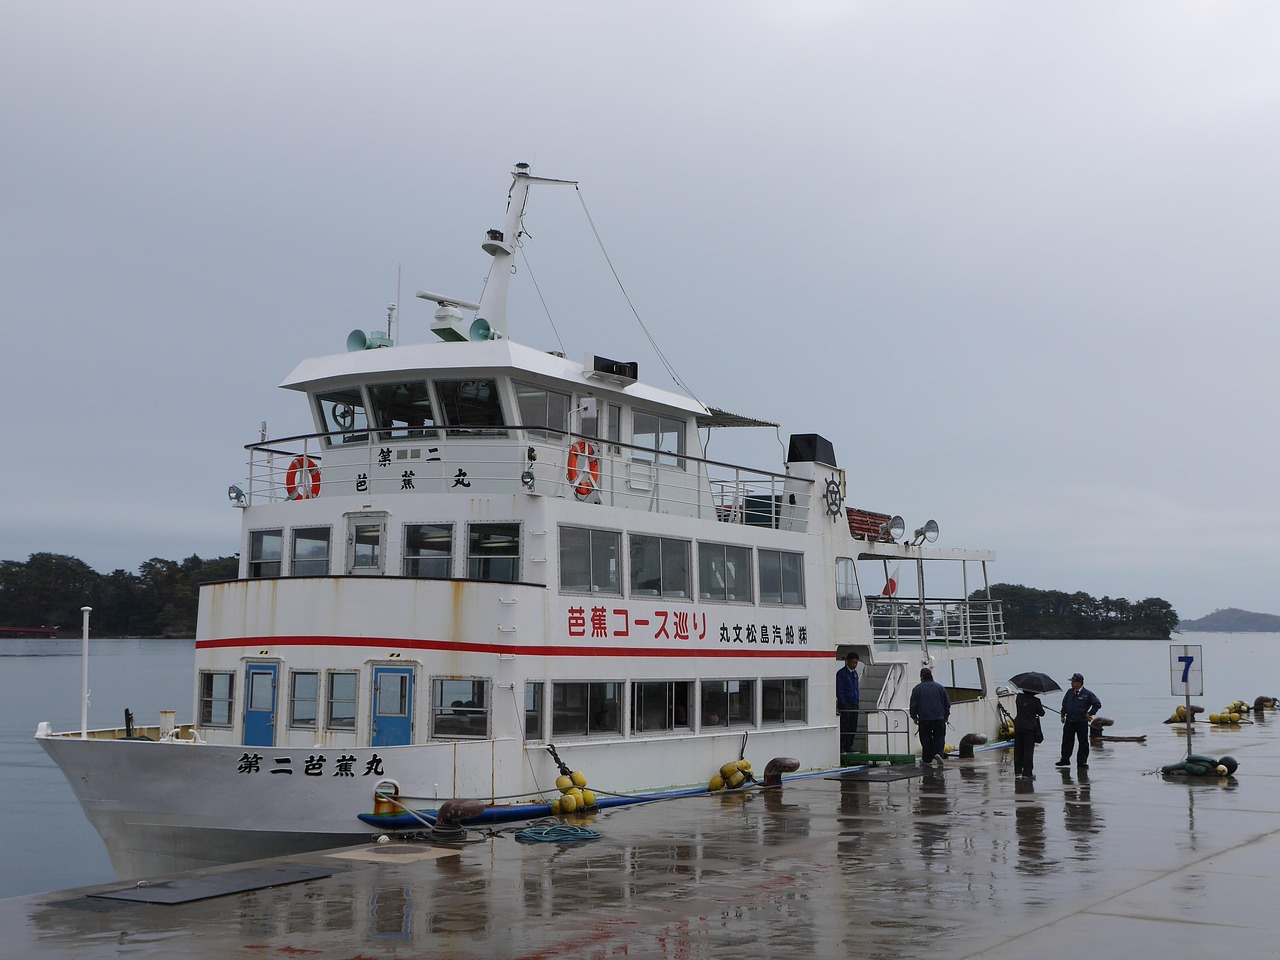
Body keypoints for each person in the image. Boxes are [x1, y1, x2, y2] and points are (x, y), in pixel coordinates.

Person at [1056, 672, 1102, 768]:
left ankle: (1082, 762)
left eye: (1073, 682)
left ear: (1079, 683)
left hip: (1081, 722)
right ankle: (1065, 759)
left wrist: (1090, 713)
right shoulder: (1069, 692)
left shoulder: (1087, 694)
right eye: (1071, 681)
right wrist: (1062, 715)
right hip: (1069, 721)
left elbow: (1097, 704)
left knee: (1083, 743)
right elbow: (1064, 704)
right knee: (1066, 741)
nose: (1071, 683)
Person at [909, 666, 950, 766]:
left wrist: (914, 717)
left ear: (922, 677)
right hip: (939, 718)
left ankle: (927, 760)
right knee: (940, 737)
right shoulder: (940, 687)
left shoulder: (917, 689)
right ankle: (938, 754)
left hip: (924, 719)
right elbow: (947, 703)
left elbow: (913, 705)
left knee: (925, 738)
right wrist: (946, 716)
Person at [1012, 690, 1045, 779]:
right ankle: (1027, 772)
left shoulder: (1019, 697)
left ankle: (1017, 770)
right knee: (1028, 750)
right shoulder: (1036, 701)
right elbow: (1042, 713)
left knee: (1018, 749)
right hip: (1029, 728)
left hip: (1018, 726)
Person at [837, 651, 861, 753]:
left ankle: (849, 746)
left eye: (856, 663)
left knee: (852, 726)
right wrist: (843, 702)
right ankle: (842, 746)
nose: (854, 665)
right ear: (848, 661)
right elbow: (840, 690)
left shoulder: (854, 674)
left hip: (854, 704)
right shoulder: (842, 673)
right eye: (853, 663)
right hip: (845, 705)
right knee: (844, 727)